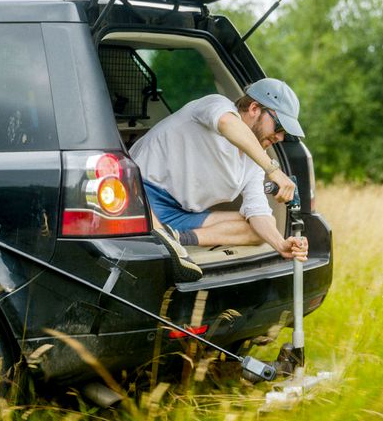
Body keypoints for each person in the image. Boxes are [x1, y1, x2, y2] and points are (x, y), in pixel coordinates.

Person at [130, 78, 309, 283]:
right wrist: (273, 170)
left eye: (284, 133)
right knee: (142, 218)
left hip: (179, 215)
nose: (280, 137)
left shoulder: (255, 159)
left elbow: (258, 211)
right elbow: (226, 123)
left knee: (259, 230)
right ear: (254, 108)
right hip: (140, 193)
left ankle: (174, 239)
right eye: (279, 128)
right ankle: (161, 239)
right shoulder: (217, 105)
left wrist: (281, 244)